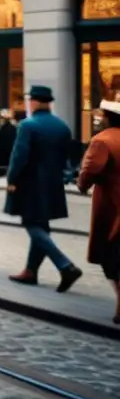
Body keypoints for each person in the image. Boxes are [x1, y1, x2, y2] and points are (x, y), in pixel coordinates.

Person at [5, 85, 83, 292]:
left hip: (30, 183)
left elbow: (19, 156)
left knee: (31, 223)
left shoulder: (27, 125)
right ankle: (31, 271)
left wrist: (12, 179)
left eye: (30, 100)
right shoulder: (63, 126)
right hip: (53, 183)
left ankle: (65, 265)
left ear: (37, 102)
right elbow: (69, 158)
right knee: (42, 225)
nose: (28, 104)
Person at [77, 100, 120, 324]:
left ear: (107, 117)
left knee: (110, 255)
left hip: (112, 205)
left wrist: (82, 185)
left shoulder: (102, 140)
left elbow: (90, 169)